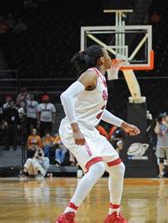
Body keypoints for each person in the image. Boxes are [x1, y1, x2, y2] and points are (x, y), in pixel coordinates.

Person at [55, 45, 140, 223]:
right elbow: (65, 96)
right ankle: (67, 216)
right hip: (76, 129)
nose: (111, 58)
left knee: (118, 168)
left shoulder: (100, 78)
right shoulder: (91, 74)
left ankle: (114, 215)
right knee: (97, 167)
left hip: (90, 130)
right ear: (101, 59)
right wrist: (76, 128)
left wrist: (124, 124)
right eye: (108, 55)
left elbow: (99, 112)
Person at [154, 112, 168, 178]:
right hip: (160, 145)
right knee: (160, 159)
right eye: (163, 117)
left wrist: (164, 123)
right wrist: (157, 123)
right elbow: (156, 131)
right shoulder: (159, 124)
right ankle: (161, 173)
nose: (164, 118)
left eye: (165, 117)